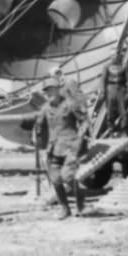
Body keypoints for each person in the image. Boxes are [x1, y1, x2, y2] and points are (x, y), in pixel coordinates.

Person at [34, 77, 86, 220]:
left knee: (67, 176)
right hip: (54, 148)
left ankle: (81, 203)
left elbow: (84, 123)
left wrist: (79, 142)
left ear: (58, 89)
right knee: (56, 179)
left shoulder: (70, 104)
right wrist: (39, 142)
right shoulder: (45, 108)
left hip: (70, 146)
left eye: (51, 89)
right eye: (46, 91)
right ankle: (65, 209)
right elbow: (39, 127)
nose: (48, 93)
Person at [98, 49, 128, 136]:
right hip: (110, 89)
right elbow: (103, 80)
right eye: (112, 55)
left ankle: (123, 130)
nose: (114, 57)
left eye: (116, 55)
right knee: (110, 111)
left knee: (123, 110)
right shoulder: (106, 66)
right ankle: (111, 130)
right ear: (110, 57)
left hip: (121, 88)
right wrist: (102, 91)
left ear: (118, 56)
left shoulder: (124, 65)